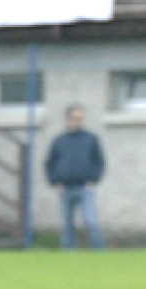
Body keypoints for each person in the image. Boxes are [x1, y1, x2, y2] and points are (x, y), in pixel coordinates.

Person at [44, 105, 105, 251]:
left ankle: (99, 252)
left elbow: (99, 162)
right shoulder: (59, 140)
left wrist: (94, 179)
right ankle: (68, 254)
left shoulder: (91, 139)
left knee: (91, 222)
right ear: (68, 119)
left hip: (85, 187)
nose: (78, 122)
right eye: (75, 118)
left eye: (81, 119)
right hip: (65, 188)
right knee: (67, 225)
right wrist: (54, 182)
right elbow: (49, 163)